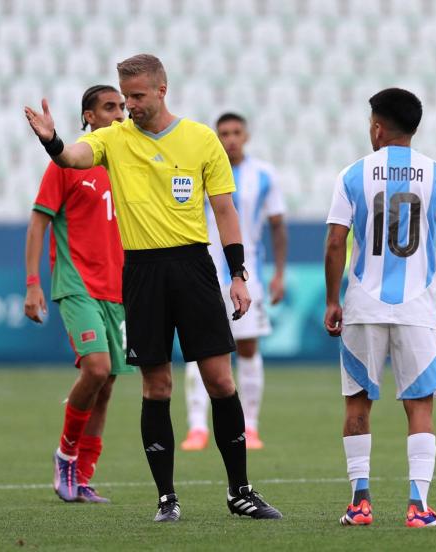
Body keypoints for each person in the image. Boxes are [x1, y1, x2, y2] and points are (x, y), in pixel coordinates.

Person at [25, 54, 282, 522]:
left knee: (220, 379)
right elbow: (72, 156)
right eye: (126, 98)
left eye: (138, 97)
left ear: (162, 90)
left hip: (194, 266)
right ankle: (167, 497)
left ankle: (239, 491)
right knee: (156, 385)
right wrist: (52, 141)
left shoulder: (202, 139)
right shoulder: (113, 138)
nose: (131, 106)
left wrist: (239, 274)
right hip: (141, 272)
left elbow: (225, 211)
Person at [324, 88, 436, 528]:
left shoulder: (352, 174)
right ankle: (418, 506)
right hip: (418, 310)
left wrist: (333, 299)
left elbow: (336, 241)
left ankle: (360, 504)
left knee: (357, 404)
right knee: (420, 407)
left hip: (363, 307)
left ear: (376, 127)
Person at [24, 84, 135, 504]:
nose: (119, 114)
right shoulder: (66, 165)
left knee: (106, 384)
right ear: (88, 116)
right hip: (77, 284)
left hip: (119, 289)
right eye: (109, 107)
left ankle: (83, 477)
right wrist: (33, 283)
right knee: (96, 368)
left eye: (122, 106)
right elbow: (38, 223)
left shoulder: (124, 164)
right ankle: (65, 454)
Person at [181, 113, 287, 452]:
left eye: (236, 132)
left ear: (247, 135)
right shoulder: (201, 169)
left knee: (248, 348)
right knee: (202, 348)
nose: (230, 139)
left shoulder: (264, 175)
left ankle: (250, 426)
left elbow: (277, 226)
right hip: (203, 273)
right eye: (223, 133)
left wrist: (279, 274)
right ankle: (197, 426)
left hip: (247, 274)